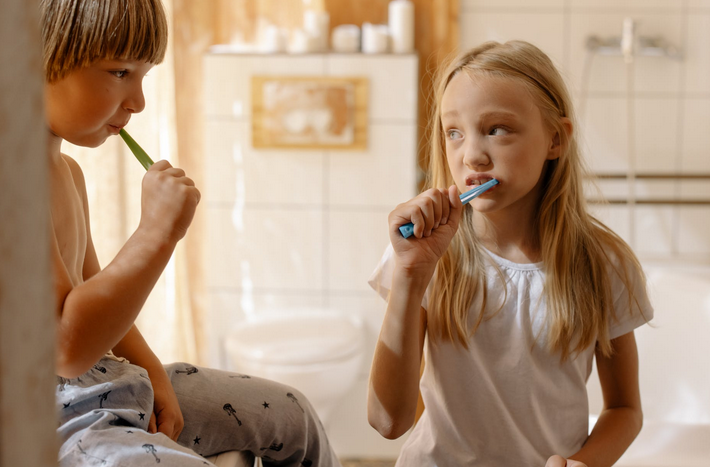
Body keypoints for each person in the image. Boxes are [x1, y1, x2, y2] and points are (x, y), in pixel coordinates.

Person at [43, 0, 340, 465]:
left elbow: (99, 309)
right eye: (121, 71)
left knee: (293, 416)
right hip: (48, 416)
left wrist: (152, 371)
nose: (139, 101)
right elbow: (66, 346)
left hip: (108, 379)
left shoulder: (69, 173)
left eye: (143, 74)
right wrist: (157, 233)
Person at [367, 40, 653, 467]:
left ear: (556, 139)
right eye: (454, 132)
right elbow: (387, 422)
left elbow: (625, 410)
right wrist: (410, 274)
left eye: (496, 129)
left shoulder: (602, 263)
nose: (472, 155)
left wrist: (585, 463)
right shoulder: (422, 255)